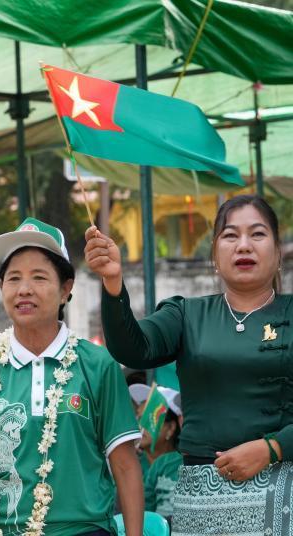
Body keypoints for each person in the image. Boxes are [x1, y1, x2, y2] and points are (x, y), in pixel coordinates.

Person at [0, 219, 144, 535]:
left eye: (39, 277)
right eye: (13, 278)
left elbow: (125, 466)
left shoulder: (96, 364)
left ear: (65, 289)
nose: (24, 289)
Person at [85, 194, 293, 535]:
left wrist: (273, 448)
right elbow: (132, 349)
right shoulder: (186, 314)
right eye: (230, 236)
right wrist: (112, 282)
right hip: (199, 502)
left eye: (257, 234)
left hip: (282, 493)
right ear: (214, 253)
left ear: (277, 251)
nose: (243, 245)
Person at [129, 385, 183, 520]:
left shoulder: (186, 465)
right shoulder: (128, 464)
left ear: (171, 428)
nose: (141, 425)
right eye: (139, 417)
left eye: (151, 417)